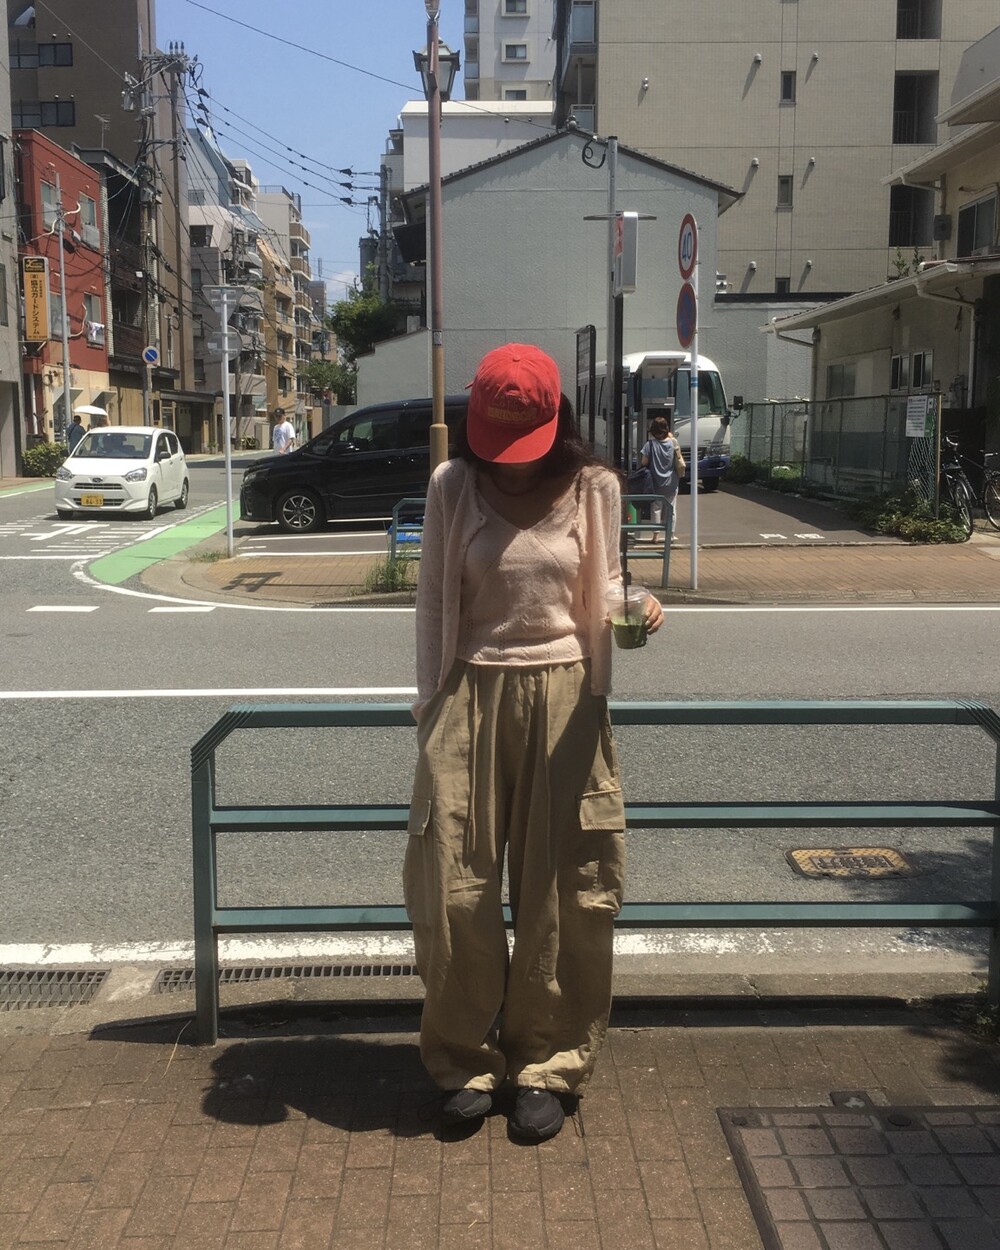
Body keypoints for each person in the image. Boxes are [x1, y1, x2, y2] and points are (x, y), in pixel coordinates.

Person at [404, 343, 662, 1142]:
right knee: (455, 889)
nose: (511, 460)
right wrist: (430, 708)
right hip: (467, 688)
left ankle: (545, 1063)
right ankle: (465, 1060)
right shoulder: (453, 485)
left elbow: (605, 585)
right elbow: (433, 600)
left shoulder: (595, 487)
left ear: (558, 423)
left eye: (525, 443)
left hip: (567, 693)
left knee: (562, 890)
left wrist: (640, 606)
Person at [639, 414, 686, 542]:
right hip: (672, 482)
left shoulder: (649, 445)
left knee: (656, 508)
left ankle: (656, 536)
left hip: (655, 483)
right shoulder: (673, 442)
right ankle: (670, 535)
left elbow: (644, 462)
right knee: (671, 508)